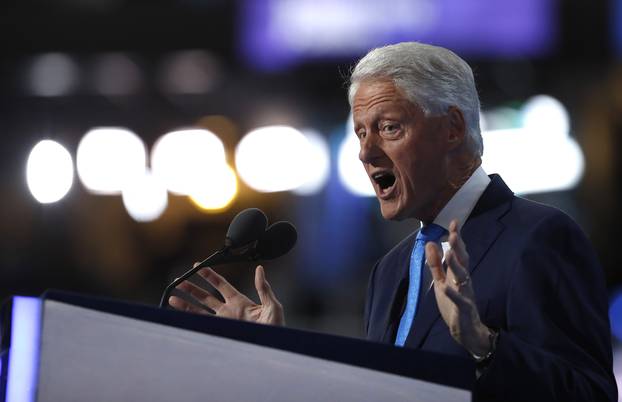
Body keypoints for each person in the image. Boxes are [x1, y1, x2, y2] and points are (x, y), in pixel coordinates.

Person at [168, 42, 618, 401]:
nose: (365, 152)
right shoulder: (390, 270)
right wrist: (279, 352)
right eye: (361, 131)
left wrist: (484, 344)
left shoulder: (539, 238)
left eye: (388, 128)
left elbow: (591, 393)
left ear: (453, 128)